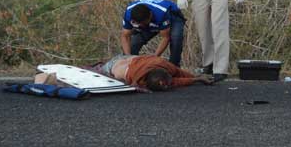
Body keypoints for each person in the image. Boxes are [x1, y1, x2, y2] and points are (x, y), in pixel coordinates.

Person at [35, 54, 214, 92]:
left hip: (133, 59)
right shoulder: (137, 80)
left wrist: (196, 78)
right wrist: (196, 80)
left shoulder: (165, 66)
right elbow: (176, 81)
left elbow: (179, 75)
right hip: (116, 65)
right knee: (94, 72)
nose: (170, 85)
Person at [121, 0, 185, 66]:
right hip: (149, 20)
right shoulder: (128, 15)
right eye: (141, 24)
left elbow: (166, 38)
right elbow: (125, 36)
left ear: (150, 15)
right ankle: (130, 65)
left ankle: (174, 65)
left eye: (145, 22)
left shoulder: (161, 14)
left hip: (172, 16)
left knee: (176, 38)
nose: (143, 25)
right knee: (134, 43)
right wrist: (128, 57)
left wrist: (154, 57)